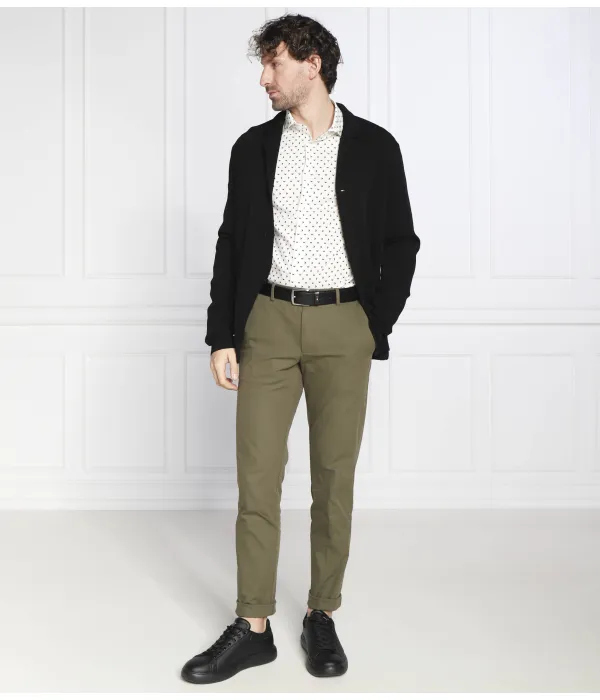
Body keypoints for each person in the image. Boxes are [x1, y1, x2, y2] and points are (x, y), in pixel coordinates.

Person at [181, 12, 420, 684]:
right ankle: (253, 625)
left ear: (313, 65)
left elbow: (401, 243)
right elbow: (233, 244)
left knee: (333, 479)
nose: (265, 78)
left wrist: (375, 322)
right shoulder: (253, 148)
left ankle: (321, 613)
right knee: (257, 478)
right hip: (269, 323)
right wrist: (221, 334)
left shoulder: (376, 147)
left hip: (345, 324)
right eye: (264, 65)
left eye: (275, 63)